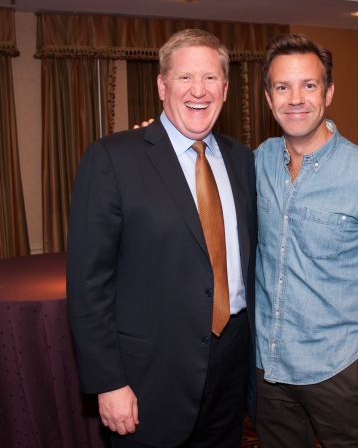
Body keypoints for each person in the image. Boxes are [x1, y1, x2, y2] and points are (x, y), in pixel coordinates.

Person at [67, 29, 257, 448]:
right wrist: (108, 382)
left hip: (232, 366)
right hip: (148, 376)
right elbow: (88, 286)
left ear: (225, 89)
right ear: (161, 86)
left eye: (210, 79)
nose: (198, 91)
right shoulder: (113, 158)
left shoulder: (244, 160)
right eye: (185, 78)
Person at [253, 34, 358, 447]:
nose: (295, 98)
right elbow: (200, 172)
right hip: (267, 371)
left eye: (308, 85)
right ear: (268, 97)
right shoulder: (256, 162)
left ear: (328, 92)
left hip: (339, 372)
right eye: (282, 87)